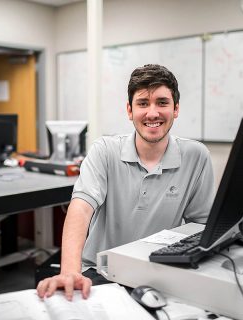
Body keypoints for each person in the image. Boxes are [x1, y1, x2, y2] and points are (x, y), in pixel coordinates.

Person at [37, 64, 215, 300]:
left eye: (162, 102)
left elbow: (201, 225)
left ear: (176, 109)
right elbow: (80, 209)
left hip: (162, 275)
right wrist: (70, 271)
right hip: (102, 272)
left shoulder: (197, 155)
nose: (153, 113)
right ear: (129, 111)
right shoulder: (105, 150)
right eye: (143, 103)